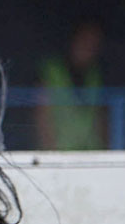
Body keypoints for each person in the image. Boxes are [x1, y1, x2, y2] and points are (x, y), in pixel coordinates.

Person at [35, 20, 108, 151]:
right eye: (85, 41)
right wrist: (50, 154)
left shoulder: (94, 75)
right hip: (59, 156)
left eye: (95, 44)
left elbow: (99, 116)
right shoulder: (52, 71)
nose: (90, 48)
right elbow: (42, 115)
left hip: (91, 156)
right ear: (73, 41)